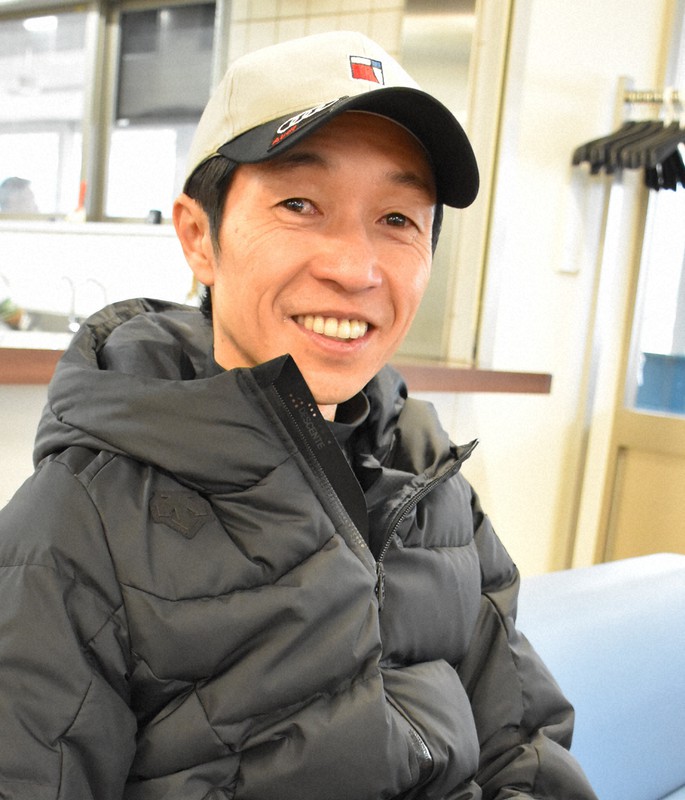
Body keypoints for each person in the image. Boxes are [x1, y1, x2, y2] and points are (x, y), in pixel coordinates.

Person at [0, 31, 598, 800]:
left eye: (397, 219)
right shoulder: (78, 526)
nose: (354, 268)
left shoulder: (428, 478)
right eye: (299, 204)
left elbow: (522, 744)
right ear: (199, 237)